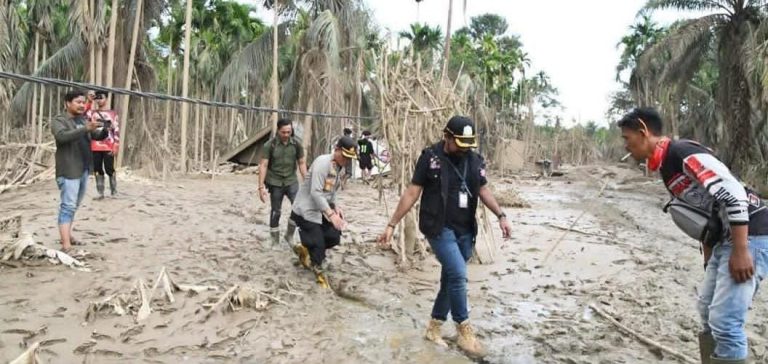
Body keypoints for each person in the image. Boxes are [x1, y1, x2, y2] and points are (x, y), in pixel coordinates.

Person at [618, 107, 768, 364]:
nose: (626, 146)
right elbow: (704, 215)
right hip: (725, 238)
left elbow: (733, 195)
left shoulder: (682, 153)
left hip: (751, 233)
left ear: (643, 131)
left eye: (627, 138)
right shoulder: (666, 167)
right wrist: (709, 260)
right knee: (707, 310)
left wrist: (742, 251)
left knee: (726, 321)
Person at [377, 116, 512, 357]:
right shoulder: (430, 158)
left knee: (449, 281)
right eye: (459, 143)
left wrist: (501, 215)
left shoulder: (474, 160)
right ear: (447, 137)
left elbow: (482, 189)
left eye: (468, 144)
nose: (464, 148)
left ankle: (434, 328)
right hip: (438, 228)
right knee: (459, 275)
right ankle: (464, 329)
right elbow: (412, 192)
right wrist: (392, 224)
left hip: (465, 230)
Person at [290, 136, 357, 288]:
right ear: (337, 150)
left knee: (335, 236)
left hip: (322, 210)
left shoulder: (338, 166)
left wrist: (336, 207)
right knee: (319, 245)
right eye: (345, 156)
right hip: (306, 211)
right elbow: (315, 193)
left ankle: (308, 249)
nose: (346, 160)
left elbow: (332, 191)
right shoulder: (322, 163)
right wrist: (331, 215)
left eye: (349, 158)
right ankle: (316, 266)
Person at [51, 90, 108, 252]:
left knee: (74, 205)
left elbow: (94, 136)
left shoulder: (83, 120)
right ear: (67, 103)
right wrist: (86, 128)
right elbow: (62, 137)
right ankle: (66, 245)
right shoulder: (59, 120)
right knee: (68, 206)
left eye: (83, 102)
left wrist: (104, 130)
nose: (82, 105)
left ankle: (67, 236)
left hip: (83, 169)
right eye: (78, 102)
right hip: (69, 170)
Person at [259, 119, 308, 247]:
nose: (286, 134)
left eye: (289, 132)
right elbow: (263, 165)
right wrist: (260, 187)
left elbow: (302, 163)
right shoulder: (270, 145)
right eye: (283, 132)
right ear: (278, 131)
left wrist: (307, 182)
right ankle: (275, 240)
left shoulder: (297, 144)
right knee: (276, 211)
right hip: (275, 182)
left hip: (291, 180)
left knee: (298, 207)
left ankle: (289, 235)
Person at [87, 91, 120, 199]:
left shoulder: (112, 113)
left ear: (106, 99)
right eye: (97, 98)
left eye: (101, 97)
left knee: (109, 168)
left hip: (108, 145)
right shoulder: (91, 113)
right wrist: (89, 101)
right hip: (95, 145)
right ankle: (100, 192)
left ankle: (114, 191)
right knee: (97, 168)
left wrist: (116, 144)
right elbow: (83, 115)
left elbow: (116, 130)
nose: (99, 100)